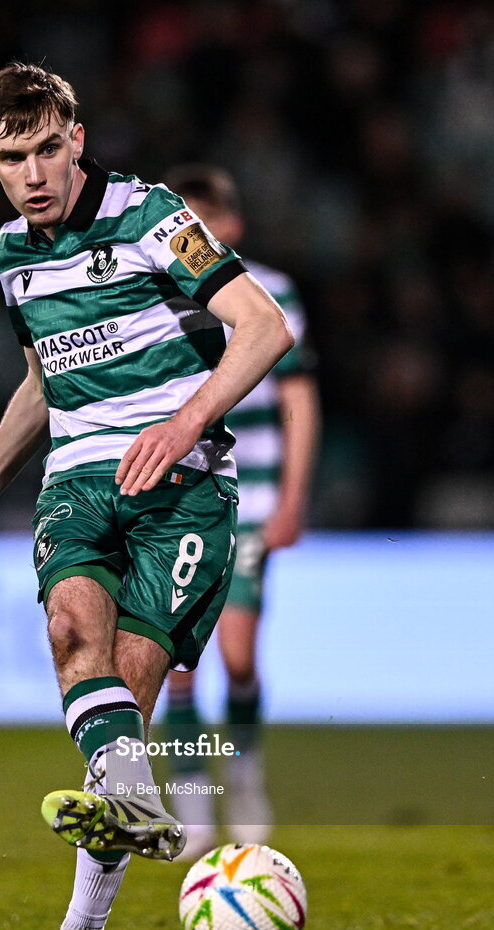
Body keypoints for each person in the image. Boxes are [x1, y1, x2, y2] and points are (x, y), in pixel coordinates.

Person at [0, 63, 293, 930]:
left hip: (185, 486)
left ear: (76, 138)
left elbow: (262, 327)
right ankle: (98, 897)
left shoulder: (152, 214)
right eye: (15, 157)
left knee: (126, 691)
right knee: (67, 633)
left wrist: (184, 420)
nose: (36, 170)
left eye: (49, 146)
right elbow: (43, 382)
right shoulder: (13, 253)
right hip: (80, 481)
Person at [163, 165, 320, 859]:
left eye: (203, 222)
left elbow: (297, 398)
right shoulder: (152, 293)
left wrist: (291, 497)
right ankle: (196, 802)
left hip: (249, 497)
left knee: (237, 655)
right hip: (175, 495)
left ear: (229, 227)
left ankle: (246, 773)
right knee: (178, 666)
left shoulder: (271, 290)